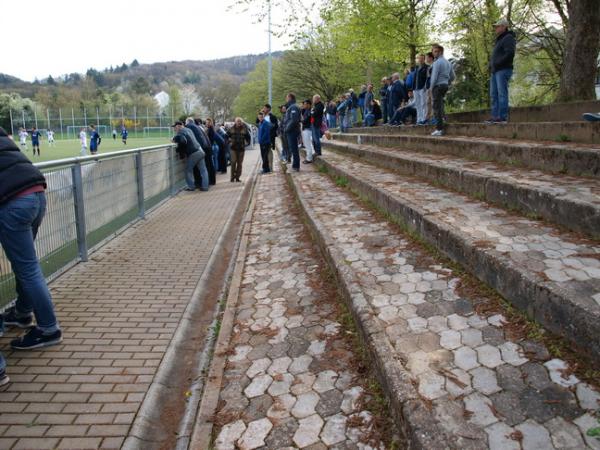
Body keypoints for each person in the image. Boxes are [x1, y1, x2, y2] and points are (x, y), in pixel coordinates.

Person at [0, 126, 63, 377]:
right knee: (24, 264)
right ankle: (23, 313)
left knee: (27, 268)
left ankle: (48, 329)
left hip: (13, 201)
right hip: (35, 193)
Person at [487, 18, 516, 124]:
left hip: (503, 70)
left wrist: (498, 63)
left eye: (497, 26)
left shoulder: (508, 38)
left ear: (504, 27)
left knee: (502, 93)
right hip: (495, 71)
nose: (496, 28)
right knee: (493, 94)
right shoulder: (499, 39)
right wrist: (491, 65)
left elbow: (510, 53)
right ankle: (495, 117)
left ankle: (503, 117)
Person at [171, 121, 209, 192]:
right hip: (200, 150)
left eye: (175, 127)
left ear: (179, 126)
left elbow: (182, 140)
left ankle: (191, 186)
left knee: (188, 170)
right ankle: (205, 187)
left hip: (194, 153)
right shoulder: (189, 129)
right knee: (203, 170)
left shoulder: (181, 131)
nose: (174, 129)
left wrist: (174, 139)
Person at [429, 44, 455, 136]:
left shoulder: (437, 63)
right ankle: (442, 120)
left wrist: (431, 88)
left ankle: (439, 129)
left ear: (440, 52)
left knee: (436, 107)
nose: (433, 53)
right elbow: (453, 76)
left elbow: (434, 77)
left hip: (437, 86)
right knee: (440, 105)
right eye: (433, 51)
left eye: (435, 51)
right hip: (444, 85)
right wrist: (447, 82)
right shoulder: (448, 63)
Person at [187, 118, 215, 186]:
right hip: (208, 147)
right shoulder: (199, 127)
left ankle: (203, 183)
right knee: (208, 166)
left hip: (203, 148)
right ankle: (210, 182)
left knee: (204, 168)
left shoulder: (191, 126)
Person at [226, 118, 251, 182]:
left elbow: (248, 137)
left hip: (241, 148)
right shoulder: (231, 128)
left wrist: (247, 143)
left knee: (239, 164)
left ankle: (237, 177)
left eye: (240, 121)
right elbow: (226, 136)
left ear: (241, 122)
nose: (239, 123)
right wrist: (229, 141)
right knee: (233, 162)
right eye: (237, 121)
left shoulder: (244, 129)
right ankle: (232, 177)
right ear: (235, 122)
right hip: (233, 148)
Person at [283, 93, 302, 171]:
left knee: (294, 148)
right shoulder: (291, 106)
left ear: (290, 98)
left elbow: (294, 120)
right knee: (293, 148)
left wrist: (287, 128)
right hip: (291, 130)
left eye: (286, 98)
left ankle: (296, 166)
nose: (286, 99)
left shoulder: (293, 107)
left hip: (292, 131)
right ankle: (295, 165)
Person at [414, 54, 429, 125]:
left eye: (422, 58)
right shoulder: (416, 68)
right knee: (417, 104)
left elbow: (427, 78)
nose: (420, 60)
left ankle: (424, 119)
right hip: (415, 88)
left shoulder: (426, 67)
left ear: (424, 59)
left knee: (423, 103)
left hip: (422, 88)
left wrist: (425, 86)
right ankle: (419, 119)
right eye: (419, 58)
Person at [301, 99, 315, 164]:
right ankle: (311, 154)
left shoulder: (310, 111)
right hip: (305, 128)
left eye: (305, 104)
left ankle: (309, 158)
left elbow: (306, 120)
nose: (304, 105)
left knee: (307, 144)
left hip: (308, 128)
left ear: (309, 105)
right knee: (307, 143)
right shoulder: (306, 110)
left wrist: (301, 120)